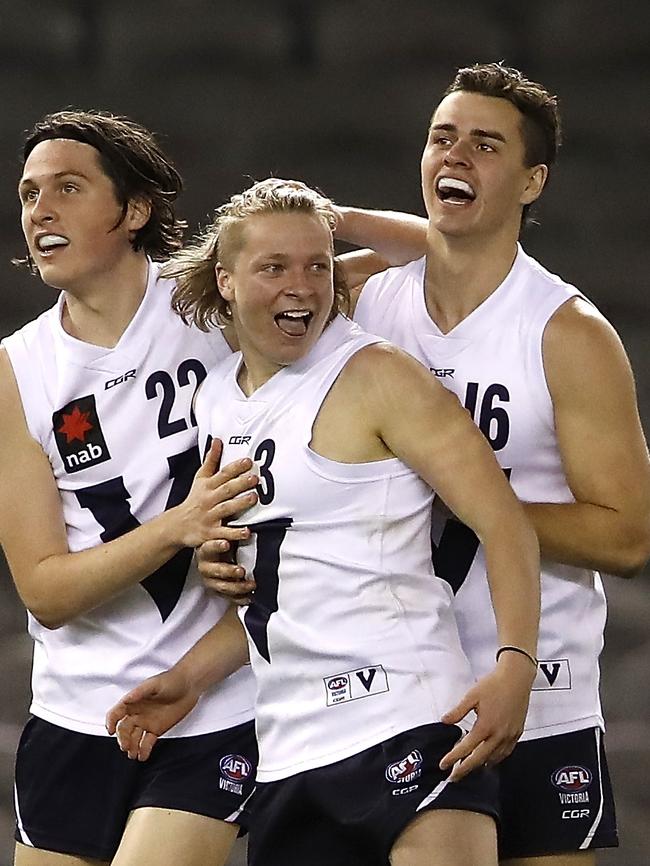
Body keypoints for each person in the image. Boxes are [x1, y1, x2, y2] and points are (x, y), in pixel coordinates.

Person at [108, 176, 541, 866]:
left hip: (408, 719)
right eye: (274, 267)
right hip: (289, 751)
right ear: (225, 280)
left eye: (317, 265)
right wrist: (190, 680)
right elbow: (280, 590)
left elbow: (506, 524)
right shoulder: (217, 402)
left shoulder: (377, 375)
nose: (301, 285)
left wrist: (516, 662)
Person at [336, 63, 650, 865]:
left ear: (533, 180)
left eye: (485, 145)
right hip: (392, 691)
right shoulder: (364, 301)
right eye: (443, 138)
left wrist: (456, 500)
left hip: (536, 696)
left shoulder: (567, 332)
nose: (457, 157)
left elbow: (627, 538)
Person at [0, 109, 263, 866]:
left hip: (215, 707)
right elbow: (45, 590)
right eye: (27, 194)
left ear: (135, 209)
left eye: (68, 188)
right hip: (75, 710)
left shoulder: (213, 306)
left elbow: (343, 278)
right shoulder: (20, 371)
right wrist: (178, 527)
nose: (39, 211)